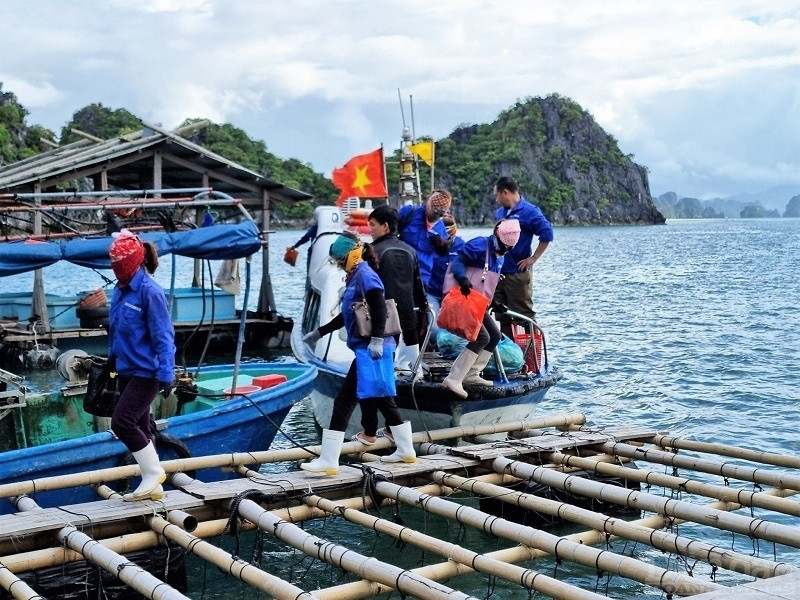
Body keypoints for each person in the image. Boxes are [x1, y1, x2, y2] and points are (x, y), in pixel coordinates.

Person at [301, 233, 415, 474]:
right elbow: (349, 315)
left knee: (344, 401)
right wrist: (320, 332)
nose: (339, 265)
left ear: (352, 255)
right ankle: (406, 449)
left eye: (340, 260)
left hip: (372, 348)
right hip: (368, 348)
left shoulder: (365, 275)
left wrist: (375, 339)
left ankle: (329, 460)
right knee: (382, 398)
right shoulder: (355, 276)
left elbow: (379, 307)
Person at [108, 230, 176, 502]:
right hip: (125, 369)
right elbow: (116, 330)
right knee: (141, 423)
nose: (116, 269)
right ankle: (153, 487)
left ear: (134, 262)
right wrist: (112, 362)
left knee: (122, 422)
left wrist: (166, 374)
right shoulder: (119, 290)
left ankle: (152, 472)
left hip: (148, 372)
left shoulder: (150, 292)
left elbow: (164, 336)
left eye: (119, 263)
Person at [442, 219, 521, 398]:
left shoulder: (498, 256)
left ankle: (471, 374)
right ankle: (454, 378)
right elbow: (459, 260)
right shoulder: (480, 245)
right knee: (481, 337)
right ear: (497, 235)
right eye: (504, 245)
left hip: (478, 303)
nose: (505, 250)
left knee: (494, 336)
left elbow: (485, 285)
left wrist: (494, 304)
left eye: (509, 248)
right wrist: (462, 279)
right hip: (464, 297)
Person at [368, 204, 427, 374]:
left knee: (385, 359)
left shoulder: (373, 252)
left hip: (382, 315)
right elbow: (418, 283)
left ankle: (385, 380)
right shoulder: (411, 250)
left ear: (385, 226)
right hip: (408, 311)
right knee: (412, 343)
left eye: (373, 225)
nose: (370, 229)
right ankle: (417, 375)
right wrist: (423, 305)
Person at [493, 176, 554, 322]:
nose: (497, 200)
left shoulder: (529, 211)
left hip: (518, 273)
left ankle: (530, 344)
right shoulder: (499, 213)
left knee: (523, 315)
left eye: (497, 195)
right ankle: (507, 344)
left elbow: (547, 233)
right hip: (499, 272)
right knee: (502, 315)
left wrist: (533, 258)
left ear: (505, 193)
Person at [397, 189, 451, 291]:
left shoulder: (441, 228)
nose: (437, 216)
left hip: (423, 275)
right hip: (401, 268)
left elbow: (442, 256)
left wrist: (443, 247)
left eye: (441, 214)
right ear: (429, 205)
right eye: (435, 211)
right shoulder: (409, 213)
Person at [426, 215, 464, 340]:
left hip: (452, 294)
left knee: (455, 328)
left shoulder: (462, 247)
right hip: (432, 292)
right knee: (434, 329)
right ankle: (434, 346)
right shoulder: (430, 245)